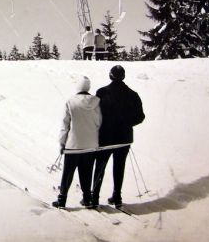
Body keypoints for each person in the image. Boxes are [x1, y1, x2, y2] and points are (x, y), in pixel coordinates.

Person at [91, 65, 145, 208]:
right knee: (119, 166)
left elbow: (95, 114)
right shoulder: (133, 94)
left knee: (100, 166)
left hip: (105, 137)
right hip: (124, 138)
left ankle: (94, 198)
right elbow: (140, 117)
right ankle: (117, 196)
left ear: (110, 76)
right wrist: (126, 123)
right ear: (123, 76)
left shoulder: (101, 92)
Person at [52, 76, 102, 209]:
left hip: (73, 145)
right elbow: (99, 122)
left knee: (68, 173)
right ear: (88, 87)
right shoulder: (97, 102)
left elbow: (65, 125)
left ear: (78, 87)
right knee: (87, 172)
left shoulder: (70, 102)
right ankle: (87, 199)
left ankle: (62, 200)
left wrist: (62, 143)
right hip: (90, 144)